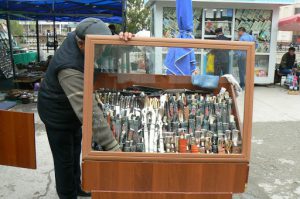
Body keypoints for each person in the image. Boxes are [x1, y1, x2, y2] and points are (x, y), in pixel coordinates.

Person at [37, 18, 133, 199]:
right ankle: (68, 195)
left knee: (75, 152)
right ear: (82, 44)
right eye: (100, 47)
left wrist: (124, 41)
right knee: (64, 160)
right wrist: (112, 147)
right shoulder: (69, 68)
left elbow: (109, 49)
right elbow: (89, 113)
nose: (103, 50)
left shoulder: (82, 36)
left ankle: (77, 187)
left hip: (70, 112)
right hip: (56, 113)